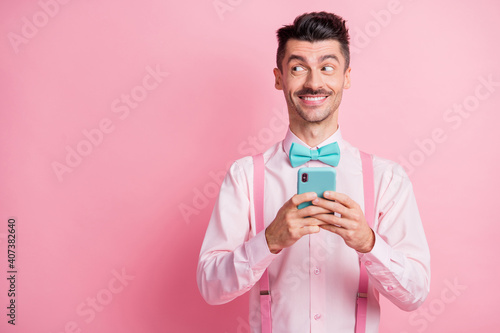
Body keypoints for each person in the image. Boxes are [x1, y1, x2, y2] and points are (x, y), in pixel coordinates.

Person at [197, 11, 430, 333]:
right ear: (279, 78)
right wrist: (269, 240)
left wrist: (368, 242)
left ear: (346, 77)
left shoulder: (387, 178)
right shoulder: (245, 176)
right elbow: (211, 288)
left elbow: (415, 294)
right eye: (298, 68)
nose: (313, 82)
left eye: (327, 68)